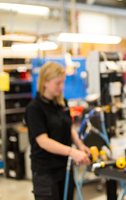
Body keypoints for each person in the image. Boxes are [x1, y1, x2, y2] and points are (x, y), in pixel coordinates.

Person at [25, 62, 91, 200]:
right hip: (46, 173)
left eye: (63, 82)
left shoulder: (62, 103)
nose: (62, 87)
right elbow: (43, 141)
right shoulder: (34, 108)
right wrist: (72, 152)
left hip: (65, 169)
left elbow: (69, 127)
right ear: (45, 82)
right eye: (58, 83)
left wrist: (80, 145)